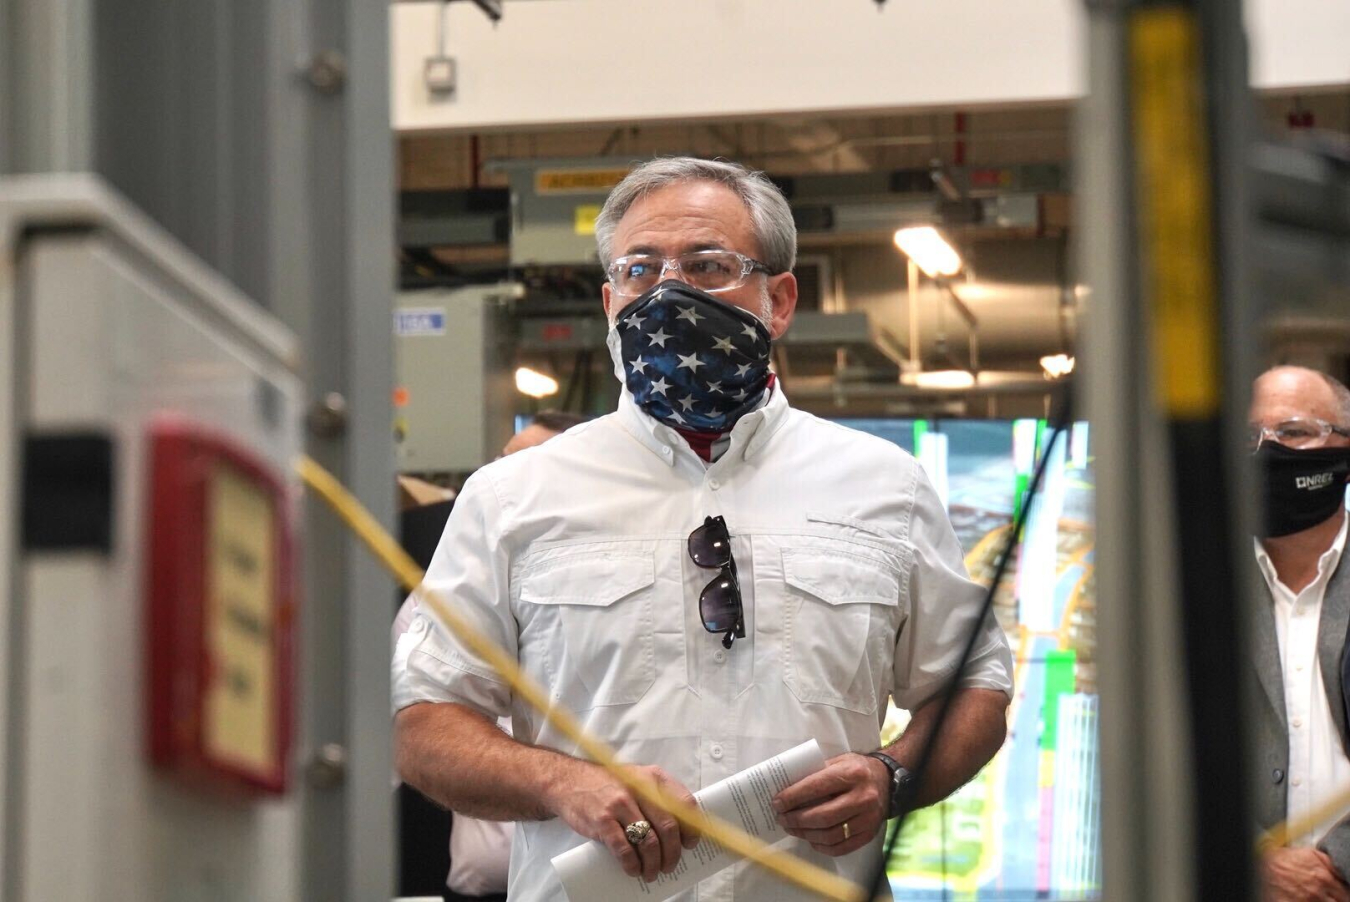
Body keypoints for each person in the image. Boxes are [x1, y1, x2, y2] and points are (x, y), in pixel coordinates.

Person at [392, 156, 1013, 900]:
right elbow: (422, 722)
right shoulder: (513, 497)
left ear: (778, 300)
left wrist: (894, 774)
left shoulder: (886, 486)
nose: (669, 292)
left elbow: (972, 683)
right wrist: (565, 785)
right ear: (608, 300)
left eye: (708, 265)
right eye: (639, 270)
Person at [395, 410, 586, 902]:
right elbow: (413, 716)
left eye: (529, 467)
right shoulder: (447, 585)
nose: (506, 481)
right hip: (473, 876)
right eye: (503, 461)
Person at [1249, 366, 1350, 902]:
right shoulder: (1197, 596)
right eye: (1252, 436)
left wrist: (1336, 870)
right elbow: (1154, 758)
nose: (1268, 450)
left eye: (1292, 432)